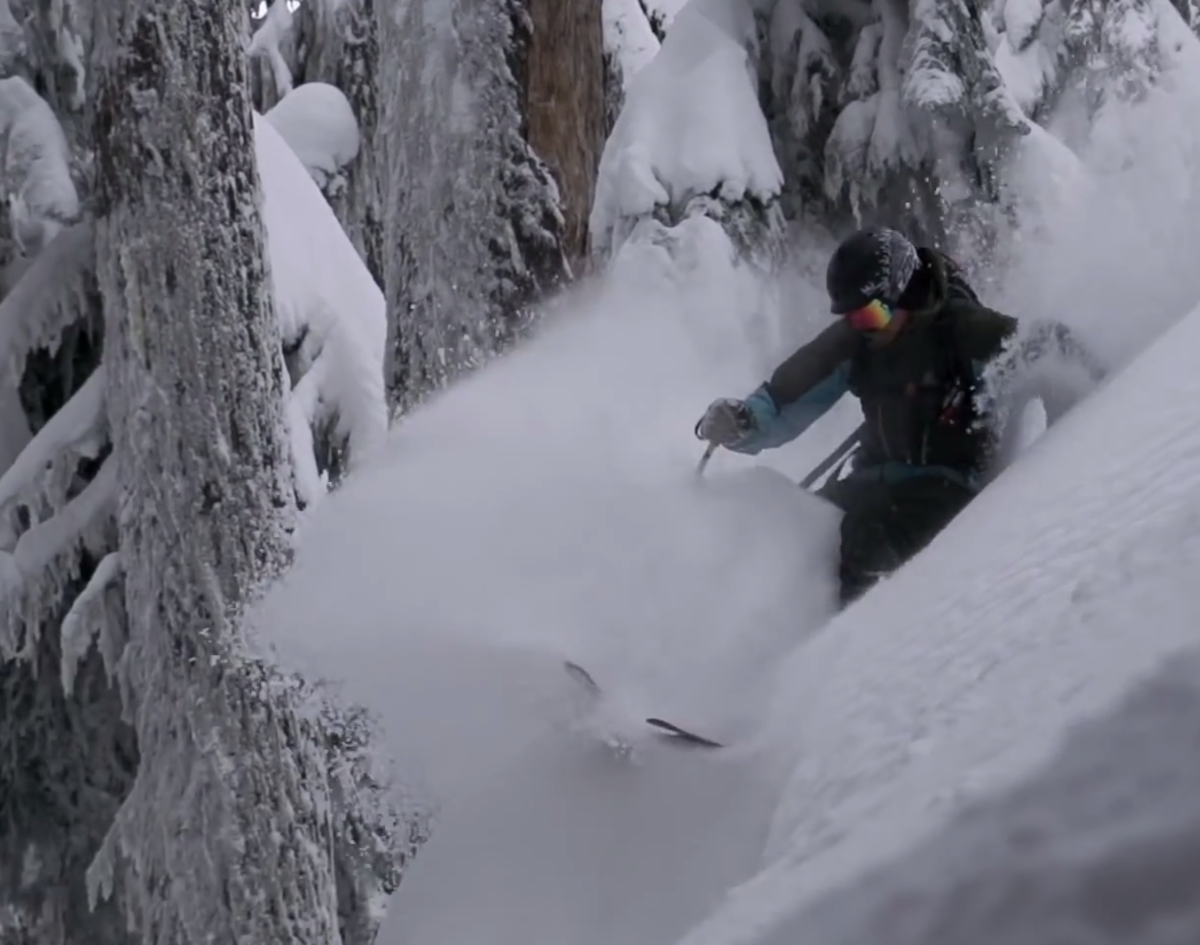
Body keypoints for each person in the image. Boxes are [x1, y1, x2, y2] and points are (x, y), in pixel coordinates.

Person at [695, 226, 1105, 608]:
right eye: (853, 318)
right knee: (798, 532)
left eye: (872, 315)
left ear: (904, 294)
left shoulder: (964, 332)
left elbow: (1045, 347)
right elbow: (789, 395)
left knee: (861, 550)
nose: (865, 329)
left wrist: (1102, 395)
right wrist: (743, 421)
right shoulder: (859, 342)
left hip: (944, 489)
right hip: (873, 481)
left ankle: (853, 661)